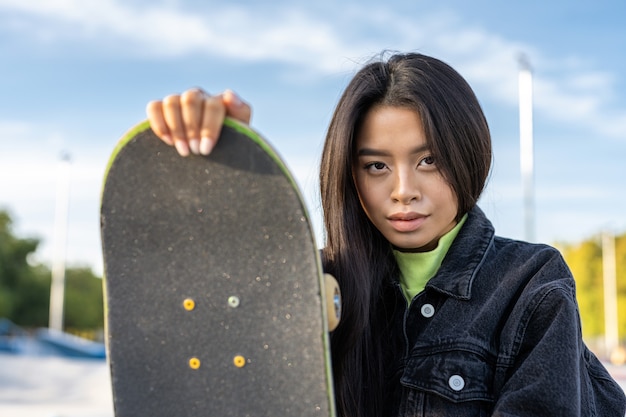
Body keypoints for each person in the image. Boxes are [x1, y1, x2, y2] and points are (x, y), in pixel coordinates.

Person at [146, 53, 626, 416]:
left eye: (428, 161)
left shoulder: (529, 283)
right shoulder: (311, 283)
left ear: (469, 154)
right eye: (376, 166)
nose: (403, 192)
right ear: (349, 175)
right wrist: (224, 170)